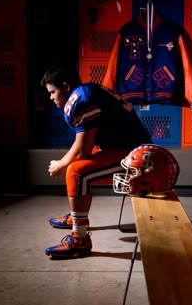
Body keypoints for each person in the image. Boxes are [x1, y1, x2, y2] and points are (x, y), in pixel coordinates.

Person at [40, 63, 152, 259]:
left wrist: (61, 164)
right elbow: (85, 145)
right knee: (79, 164)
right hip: (130, 150)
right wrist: (65, 161)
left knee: (76, 171)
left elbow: (81, 151)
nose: (51, 98)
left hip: (140, 159)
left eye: (52, 92)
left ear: (66, 87)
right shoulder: (87, 90)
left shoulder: (82, 99)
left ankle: (79, 241)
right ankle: (77, 216)